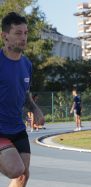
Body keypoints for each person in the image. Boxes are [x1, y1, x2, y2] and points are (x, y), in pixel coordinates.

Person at [0, 12, 44, 187]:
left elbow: (24, 93)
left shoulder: (27, 64)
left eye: (25, 33)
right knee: (15, 169)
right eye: (18, 33)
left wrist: (34, 108)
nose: (23, 37)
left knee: (22, 176)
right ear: (5, 36)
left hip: (17, 127)